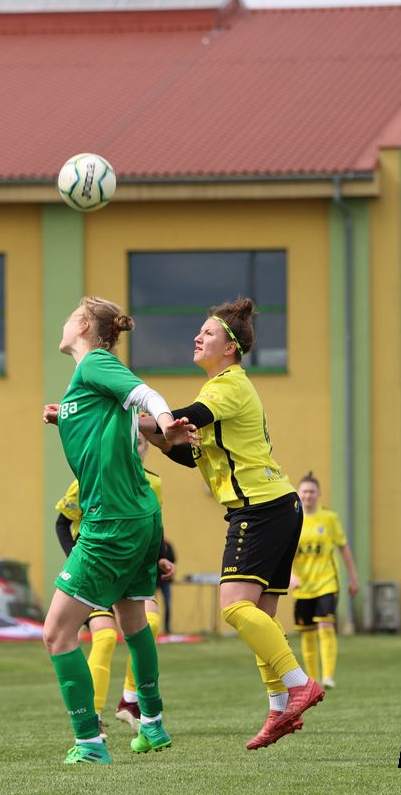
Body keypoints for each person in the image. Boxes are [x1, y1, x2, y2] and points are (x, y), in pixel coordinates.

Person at [145, 297, 322, 751]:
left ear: (230, 348)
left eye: (207, 332)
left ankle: (300, 683)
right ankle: (280, 709)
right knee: (259, 617)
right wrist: (157, 433)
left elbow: (181, 421)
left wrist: (119, 411)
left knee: (232, 607)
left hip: (260, 509)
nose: (197, 337)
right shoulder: (227, 388)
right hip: (278, 506)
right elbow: (186, 450)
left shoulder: (225, 386)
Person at [42, 295, 182, 764]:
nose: (62, 324)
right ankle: (153, 725)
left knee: (56, 634)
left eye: (68, 316)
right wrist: (62, 414)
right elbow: (121, 416)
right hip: (140, 516)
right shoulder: (85, 385)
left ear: (82, 324)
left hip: (112, 521)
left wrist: (163, 420)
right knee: (133, 623)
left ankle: (89, 743)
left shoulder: (95, 363)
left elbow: (144, 394)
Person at [54, 432, 176, 738]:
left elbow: (154, 524)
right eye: (132, 442)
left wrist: (159, 557)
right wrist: (75, 560)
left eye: (142, 443)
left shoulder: (151, 482)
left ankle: (133, 703)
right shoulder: (92, 475)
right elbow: (61, 522)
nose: (137, 448)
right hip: (94, 568)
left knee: (149, 622)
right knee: (105, 637)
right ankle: (93, 716)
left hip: (130, 566)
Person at [289, 472, 359, 690]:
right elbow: (284, 550)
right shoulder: (292, 518)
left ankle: (328, 676)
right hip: (303, 586)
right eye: (304, 492)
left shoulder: (329, 518)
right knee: (307, 632)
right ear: (298, 494)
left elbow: (343, 547)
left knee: (325, 625)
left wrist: (353, 576)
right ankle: (313, 679)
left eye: (311, 491)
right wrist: (289, 575)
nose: (308, 496)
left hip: (326, 582)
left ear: (318, 494)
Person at [157, 535, 176, 636]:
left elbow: (173, 559)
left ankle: (167, 628)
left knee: (167, 605)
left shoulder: (168, 545)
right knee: (150, 604)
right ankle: (150, 627)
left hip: (165, 581)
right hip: (155, 580)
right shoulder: (154, 544)